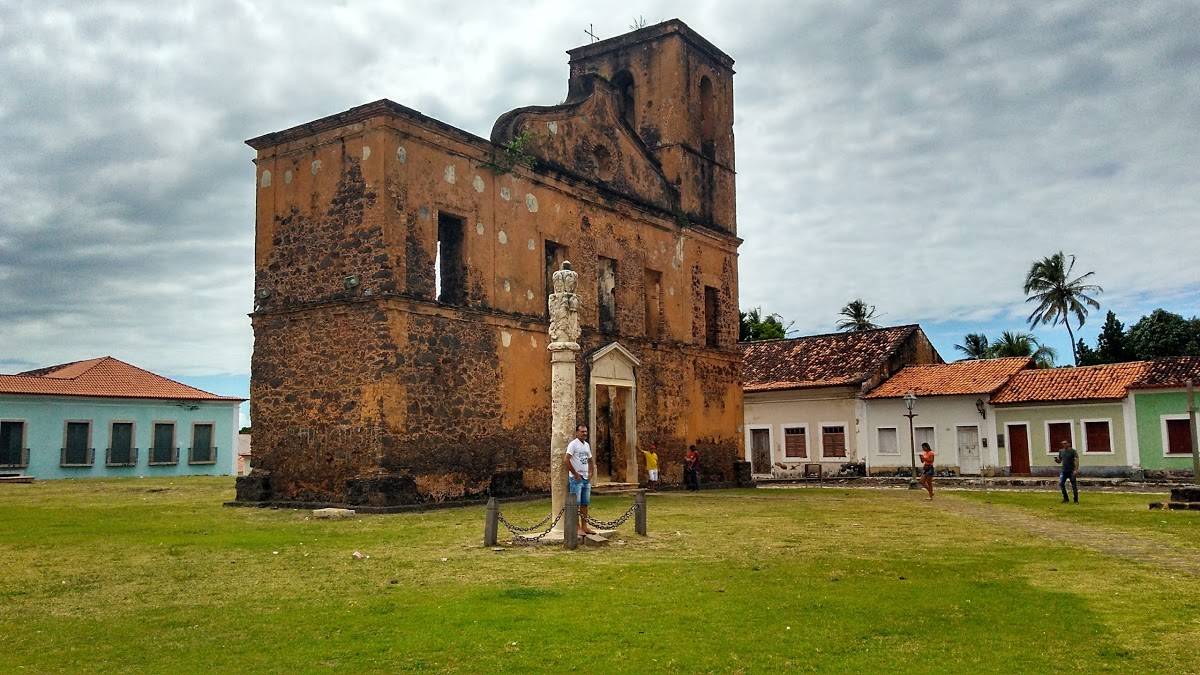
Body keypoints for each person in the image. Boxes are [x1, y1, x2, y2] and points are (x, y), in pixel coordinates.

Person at [564, 424, 596, 534]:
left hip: (586, 478)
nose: (584, 434)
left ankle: (585, 526)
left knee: (585, 503)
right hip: (576, 479)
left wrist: (591, 472)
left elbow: (590, 460)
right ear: (577, 432)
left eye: (586, 431)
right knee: (576, 504)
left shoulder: (586, 445)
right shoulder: (573, 445)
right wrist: (575, 474)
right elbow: (566, 459)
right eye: (582, 432)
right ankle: (577, 527)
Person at [1055, 438, 1079, 504]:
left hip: (1071, 470)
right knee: (1061, 484)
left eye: (1065, 443)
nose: (1064, 445)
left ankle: (1076, 500)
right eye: (1063, 444)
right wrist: (1057, 460)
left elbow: (1076, 460)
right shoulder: (1061, 451)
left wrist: (1076, 470)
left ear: (1069, 444)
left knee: (1074, 485)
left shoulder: (1073, 451)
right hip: (1064, 471)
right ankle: (1066, 498)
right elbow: (1060, 461)